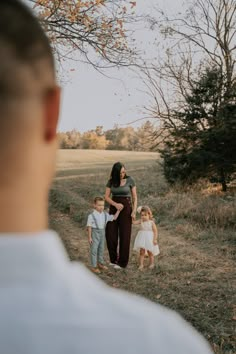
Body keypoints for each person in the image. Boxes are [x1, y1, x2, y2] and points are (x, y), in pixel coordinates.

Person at [0, 1, 213, 353]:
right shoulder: (160, 343)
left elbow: (135, 189)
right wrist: (113, 202)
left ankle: (122, 261)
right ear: (51, 114)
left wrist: (133, 204)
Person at [105, 162, 137, 269]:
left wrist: (134, 211)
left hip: (127, 208)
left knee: (125, 235)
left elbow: (135, 197)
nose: (122, 174)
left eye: (123, 172)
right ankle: (113, 259)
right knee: (110, 233)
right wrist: (115, 204)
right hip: (114, 208)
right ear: (115, 173)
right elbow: (106, 197)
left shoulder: (130, 180)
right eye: (120, 173)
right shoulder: (111, 181)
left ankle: (122, 263)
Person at [87, 196, 121, 273]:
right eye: (99, 205)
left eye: (102, 205)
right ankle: (94, 266)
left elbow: (114, 217)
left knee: (101, 249)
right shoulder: (91, 216)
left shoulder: (105, 215)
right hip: (95, 233)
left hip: (102, 233)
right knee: (94, 250)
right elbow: (89, 227)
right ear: (94, 205)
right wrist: (89, 237)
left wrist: (118, 210)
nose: (101, 207)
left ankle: (100, 263)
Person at [133, 206, 160, 270]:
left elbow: (155, 231)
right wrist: (133, 217)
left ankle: (152, 263)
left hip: (149, 239)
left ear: (149, 214)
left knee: (150, 252)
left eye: (145, 215)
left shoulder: (151, 222)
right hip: (142, 238)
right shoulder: (141, 221)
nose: (143, 217)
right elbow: (133, 223)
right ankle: (141, 265)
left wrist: (155, 239)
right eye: (142, 215)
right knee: (141, 252)